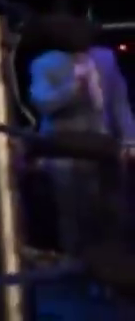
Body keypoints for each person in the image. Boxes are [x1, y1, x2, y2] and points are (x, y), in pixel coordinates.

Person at [30, 37, 135, 256]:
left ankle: (107, 262)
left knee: (108, 211)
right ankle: (74, 263)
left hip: (101, 145)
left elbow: (119, 102)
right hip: (64, 150)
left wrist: (130, 140)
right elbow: (42, 103)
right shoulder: (44, 62)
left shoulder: (105, 57)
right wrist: (72, 87)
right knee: (70, 213)